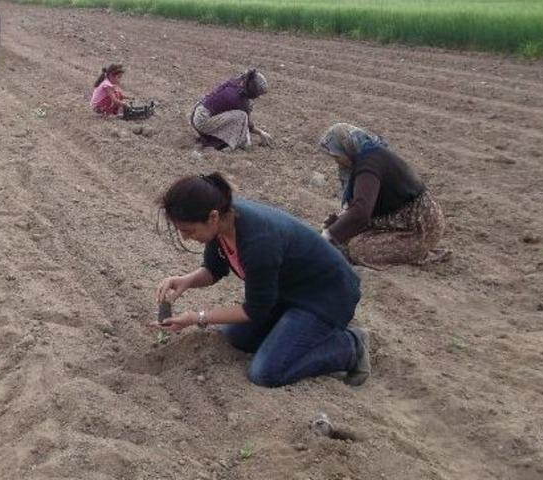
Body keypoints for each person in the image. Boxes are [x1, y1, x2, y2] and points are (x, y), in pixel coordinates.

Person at [154, 172, 370, 387]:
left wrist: (197, 317)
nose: (185, 237)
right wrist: (185, 281)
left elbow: (254, 310)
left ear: (212, 217)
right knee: (236, 337)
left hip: (325, 297)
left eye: (189, 231)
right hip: (286, 291)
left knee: (265, 372)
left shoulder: (258, 242)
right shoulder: (222, 222)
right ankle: (291, 336)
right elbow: (214, 270)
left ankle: (350, 346)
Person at [318, 123, 448, 266]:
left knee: (359, 249)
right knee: (342, 231)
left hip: (419, 226)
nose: (337, 161)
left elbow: (361, 212)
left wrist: (328, 236)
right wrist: (339, 223)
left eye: (337, 156)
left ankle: (419, 251)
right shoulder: (367, 156)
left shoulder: (369, 165)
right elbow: (363, 204)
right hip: (394, 219)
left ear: (346, 147)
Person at [190, 69, 275, 151]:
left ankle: (213, 138)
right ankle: (229, 145)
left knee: (235, 117)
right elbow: (248, 125)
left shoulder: (234, 83)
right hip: (202, 121)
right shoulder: (238, 99)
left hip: (197, 113)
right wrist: (261, 133)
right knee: (241, 116)